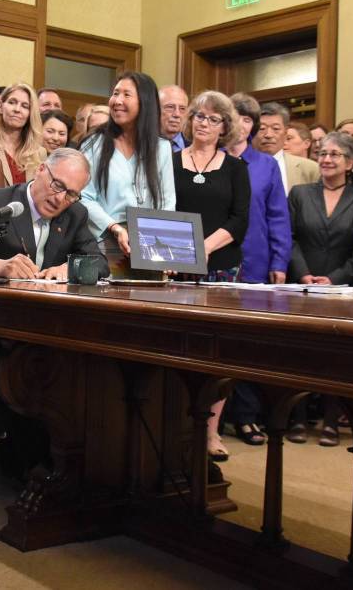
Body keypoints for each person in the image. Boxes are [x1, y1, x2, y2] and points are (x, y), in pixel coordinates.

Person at [0, 149, 108, 477]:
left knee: (86, 368)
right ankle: (37, 465)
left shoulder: (76, 215)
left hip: (44, 330)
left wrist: (69, 268)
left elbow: (100, 262)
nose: (61, 199)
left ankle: (44, 460)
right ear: (40, 171)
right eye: (57, 185)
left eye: (71, 194)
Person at [173, 91, 250, 462]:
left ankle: (211, 431)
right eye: (199, 116)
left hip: (222, 266)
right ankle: (175, 426)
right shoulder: (170, 162)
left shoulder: (237, 168)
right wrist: (181, 252)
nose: (204, 123)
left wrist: (202, 248)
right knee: (178, 345)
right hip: (175, 266)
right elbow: (162, 210)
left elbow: (239, 220)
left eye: (213, 118)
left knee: (216, 350)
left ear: (225, 126)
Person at [285, 132, 353, 446]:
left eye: (335, 154)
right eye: (322, 153)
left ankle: (331, 421)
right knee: (299, 355)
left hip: (341, 289)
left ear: (349, 163)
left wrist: (334, 279)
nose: (326, 159)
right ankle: (295, 418)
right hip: (302, 284)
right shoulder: (299, 193)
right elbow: (289, 237)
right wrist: (303, 273)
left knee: (335, 358)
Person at [80, 71, 174, 265]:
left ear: (145, 102)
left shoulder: (162, 148)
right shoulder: (93, 144)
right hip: (103, 243)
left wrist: (165, 251)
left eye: (127, 95)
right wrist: (114, 227)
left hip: (149, 246)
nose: (117, 101)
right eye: (115, 93)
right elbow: (84, 197)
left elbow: (167, 202)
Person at [227, 93, 291, 285]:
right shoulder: (212, 159)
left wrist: (279, 263)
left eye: (246, 120)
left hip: (255, 262)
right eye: (234, 118)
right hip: (213, 259)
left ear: (253, 126)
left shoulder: (267, 165)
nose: (240, 125)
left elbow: (278, 218)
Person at [255, 102, 320, 193]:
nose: (268, 135)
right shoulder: (242, 166)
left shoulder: (310, 169)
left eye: (276, 129)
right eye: (262, 128)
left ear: (285, 133)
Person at [159, 84, 189, 152]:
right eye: (170, 107)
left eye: (182, 108)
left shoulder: (196, 146)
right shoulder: (142, 143)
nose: (177, 114)